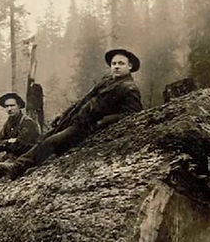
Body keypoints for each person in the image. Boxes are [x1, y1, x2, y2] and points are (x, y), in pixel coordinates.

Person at [8, 48, 143, 178]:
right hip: (76, 118)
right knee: (45, 138)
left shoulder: (129, 88)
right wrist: (64, 114)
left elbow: (132, 114)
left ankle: (18, 168)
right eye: (114, 63)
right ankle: (17, 165)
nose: (116, 67)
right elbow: (84, 100)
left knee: (51, 142)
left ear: (130, 66)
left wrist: (102, 122)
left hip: (86, 126)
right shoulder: (107, 80)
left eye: (121, 63)